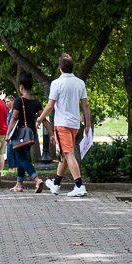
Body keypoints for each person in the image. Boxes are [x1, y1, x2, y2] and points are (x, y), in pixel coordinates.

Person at [37, 54, 91, 197]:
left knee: (68, 153)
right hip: (75, 124)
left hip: (62, 124)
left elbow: (50, 105)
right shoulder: (80, 83)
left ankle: (79, 185)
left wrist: (40, 119)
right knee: (64, 153)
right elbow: (85, 105)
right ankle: (56, 184)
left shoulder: (56, 83)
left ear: (60, 68)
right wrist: (88, 125)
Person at [6, 73, 46, 193]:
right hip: (30, 134)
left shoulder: (19, 100)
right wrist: (51, 133)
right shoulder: (36, 102)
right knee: (21, 159)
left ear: (21, 87)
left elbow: (14, 117)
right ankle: (19, 185)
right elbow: (43, 119)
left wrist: (8, 134)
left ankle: (36, 179)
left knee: (22, 159)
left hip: (19, 134)